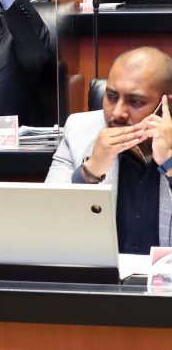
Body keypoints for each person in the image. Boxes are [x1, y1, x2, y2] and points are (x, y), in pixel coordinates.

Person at [46, 46, 172, 254]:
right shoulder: (79, 131)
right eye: (112, 97)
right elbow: (48, 220)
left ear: (166, 104)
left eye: (135, 102)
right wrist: (90, 171)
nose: (118, 113)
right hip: (103, 273)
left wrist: (169, 163)